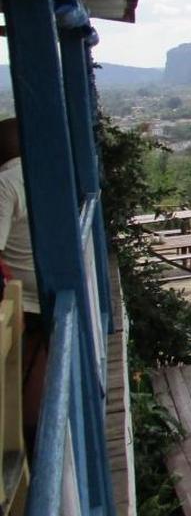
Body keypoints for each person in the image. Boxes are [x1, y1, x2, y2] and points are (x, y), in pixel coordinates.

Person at [0, 119, 42, 449]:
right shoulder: (40, 176)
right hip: (42, 294)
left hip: (23, 302)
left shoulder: (6, 183)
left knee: (21, 377)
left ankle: (26, 437)